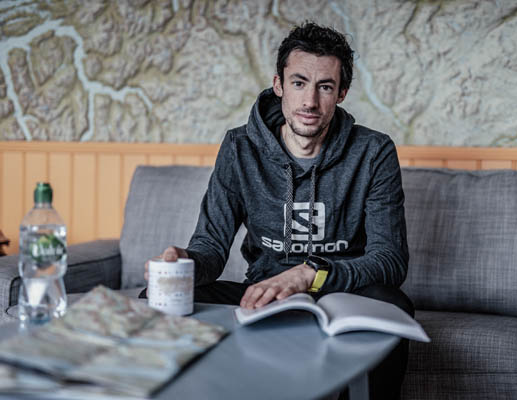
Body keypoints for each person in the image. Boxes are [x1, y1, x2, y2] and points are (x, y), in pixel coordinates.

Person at [141, 21, 413, 399]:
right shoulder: (239, 148)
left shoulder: (374, 152)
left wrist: (309, 274)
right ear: (279, 85)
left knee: (393, 304)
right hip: (263, 292)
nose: (310, 102)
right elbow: (211, 247)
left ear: (342, 93)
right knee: (155, 297)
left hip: (341, 291)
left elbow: (390, 260)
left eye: (325, 87)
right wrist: (183, 263)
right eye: (299, 83)